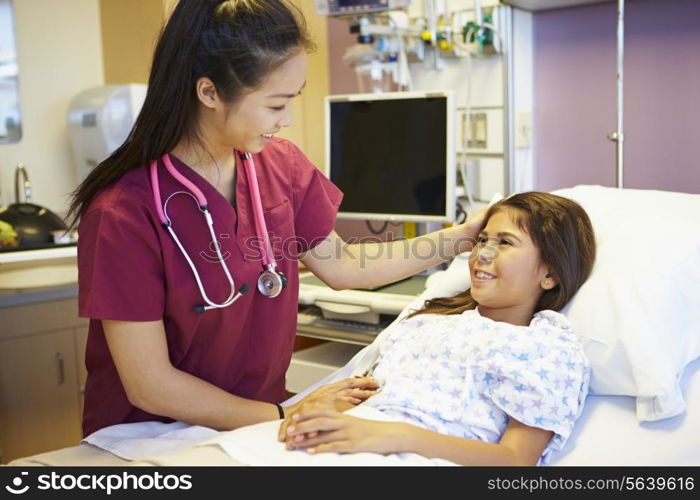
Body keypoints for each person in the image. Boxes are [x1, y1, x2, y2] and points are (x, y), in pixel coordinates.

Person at [67, 0, 483, 437]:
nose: (286, 120)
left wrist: (463, 236)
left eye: (292, 101)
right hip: (149, 439)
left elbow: (344, 266)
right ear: (209, 92)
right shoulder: (124, 212)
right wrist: (288, 415)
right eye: (275, 105)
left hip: (257, 425)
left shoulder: (280, 166)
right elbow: (151, 386)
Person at [278, 192, 597, 466]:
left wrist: (396, 436)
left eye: (505, 242)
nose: (482, 253)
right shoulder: (425, 324)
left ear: (550, 274)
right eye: (483, 239)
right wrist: (318, 412)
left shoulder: (545, 349)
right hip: (351, 445)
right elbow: (367, 397)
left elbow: (515, 460)